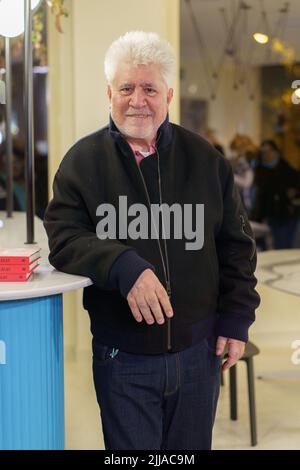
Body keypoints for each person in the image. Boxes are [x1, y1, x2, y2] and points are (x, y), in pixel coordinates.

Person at [44, 31, 260, 450]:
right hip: (122, 357)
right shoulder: (81, 162)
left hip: (199, 353)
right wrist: (123, 265)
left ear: (169, 95)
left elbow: (236, 246)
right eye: (126, 88)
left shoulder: (207, 161)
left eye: (149, 88)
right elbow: (64, 237)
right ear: (109, 93)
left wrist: (236, 320)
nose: (137, 100)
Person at [251, 139, 300, 249]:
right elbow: (260, 197)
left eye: (269, 152)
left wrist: (294, 193)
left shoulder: (288, 170)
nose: (266, 155)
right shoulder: (260, 171)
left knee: (282, 247)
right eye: (263, 152)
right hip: (266, 216)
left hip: (285, 216)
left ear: (276, 152)